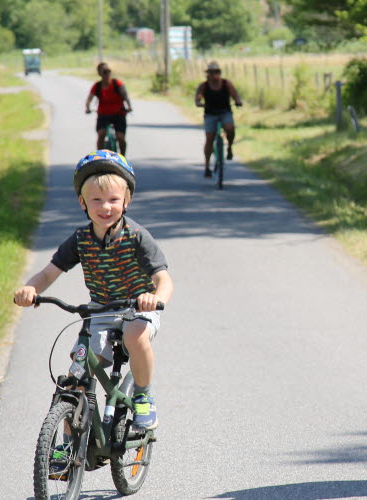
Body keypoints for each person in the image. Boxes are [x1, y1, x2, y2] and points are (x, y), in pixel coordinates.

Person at [13, 150, 173, 436]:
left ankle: (143, 396)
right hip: (100, 311)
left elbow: (163, 278)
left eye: (113, 200)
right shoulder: (80, 239)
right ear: (82, 202)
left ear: (126, 201)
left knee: (135, 334)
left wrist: (156, 298)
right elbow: (50, 272)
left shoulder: (137, 236)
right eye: (96, 200)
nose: (105, 207)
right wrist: (30, 289)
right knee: (75, 376)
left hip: (138, 310)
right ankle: (66, 443)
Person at [194, 61, 243, 178]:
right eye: (211, 72)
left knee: (230, 129)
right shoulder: (204, 86)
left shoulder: (226, 83)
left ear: (219, 73)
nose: (214, 75)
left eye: (216, 72)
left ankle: (229, 147)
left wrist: (238, 101)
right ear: (208, 74)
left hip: (225, 112)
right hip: (210, 114)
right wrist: (199, 103)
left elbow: (235, 94)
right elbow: (198, 97)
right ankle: (207, 167)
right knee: (209, 138)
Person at [86, 63, 133, 155]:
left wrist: (129, 106)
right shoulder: (97, 86)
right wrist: (87, 108)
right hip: (103, 115)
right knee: (101, 134)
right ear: (100, 74)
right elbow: (89, 100)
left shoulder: (117, 83)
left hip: (119, 114)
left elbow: (125, 96)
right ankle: (99, 156)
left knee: (120, 137)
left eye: (109, 71)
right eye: (104, 72)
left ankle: (123, 158)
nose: (107, 74)